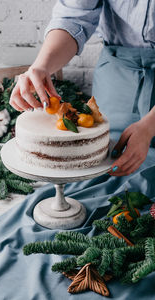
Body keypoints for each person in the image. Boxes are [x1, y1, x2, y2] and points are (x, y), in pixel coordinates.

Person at [10, 0, 155, 177]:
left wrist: (149, 126)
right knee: (100, 173)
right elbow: (73, 17)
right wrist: (42, 66)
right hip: (117, 78)